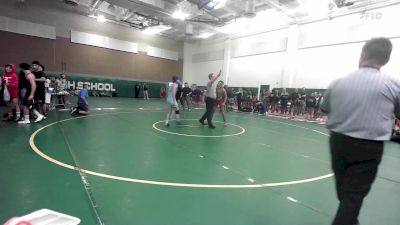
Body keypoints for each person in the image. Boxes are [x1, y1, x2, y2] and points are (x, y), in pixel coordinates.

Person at [320, 37, 400, 225]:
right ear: (386, 59)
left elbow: (324, 109)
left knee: (345, 193)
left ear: (362, 55)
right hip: (369, 146)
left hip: (338, 142)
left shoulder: (337, 82)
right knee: (352, 196)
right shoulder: (394, 84)